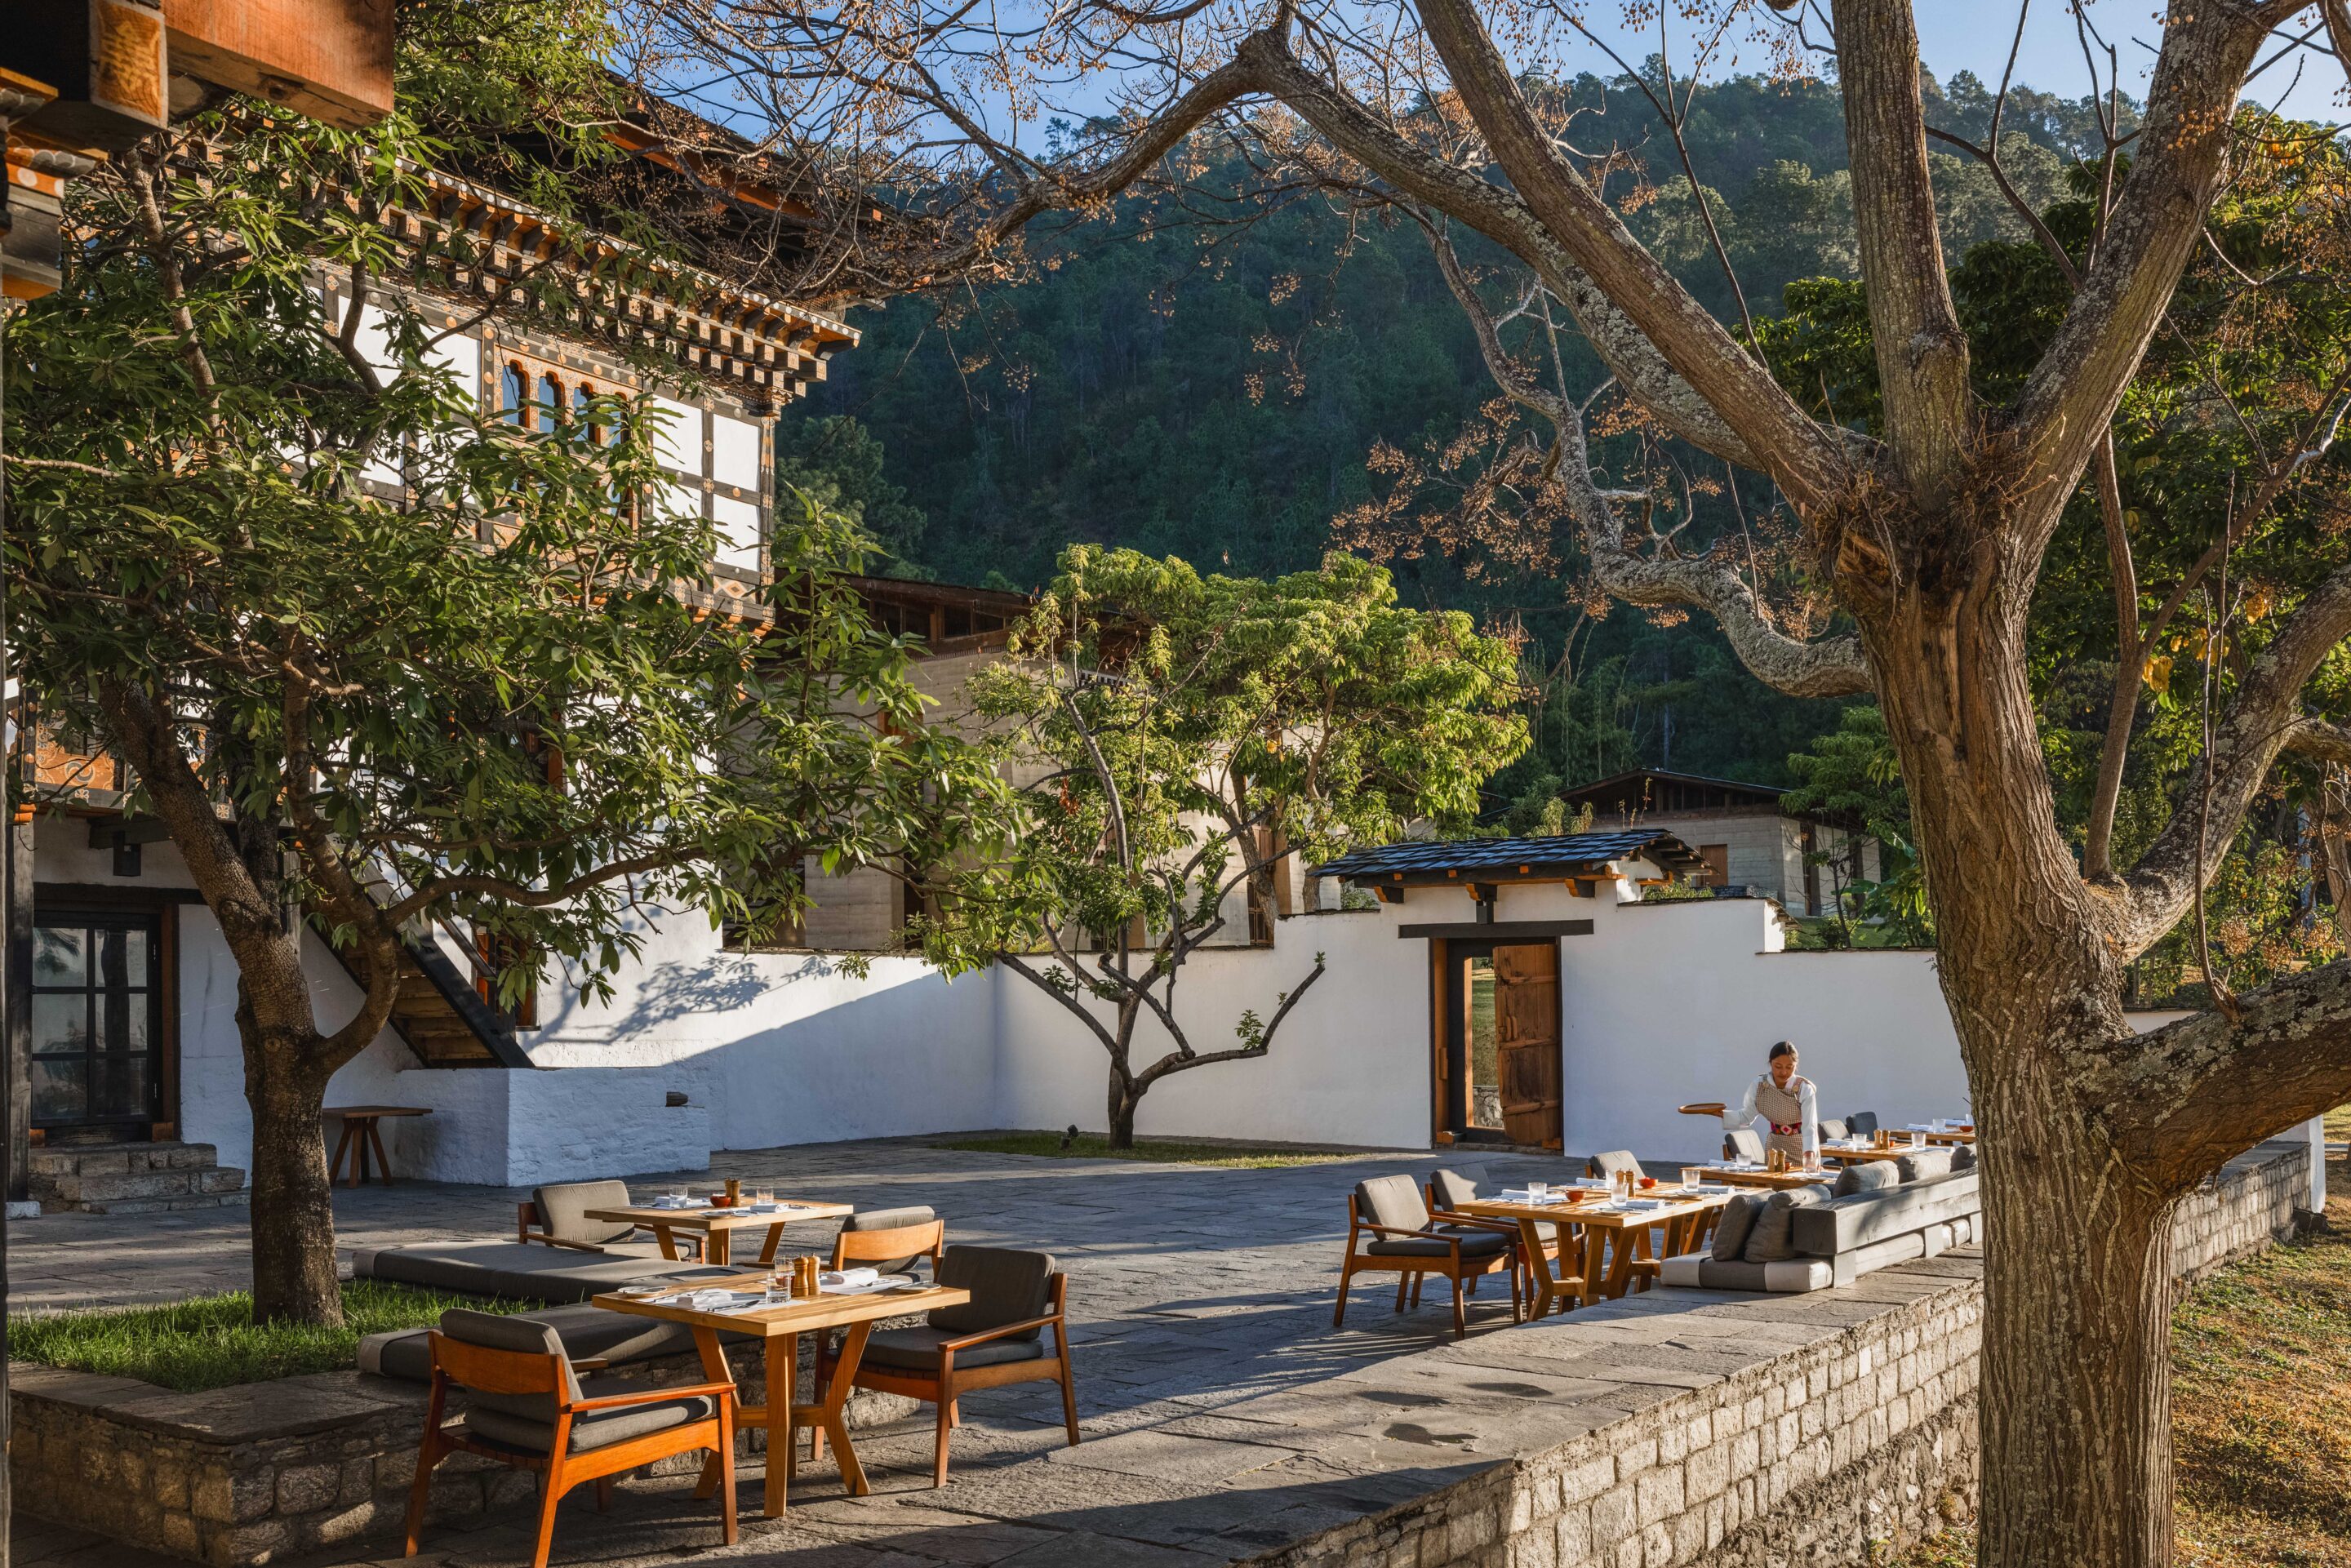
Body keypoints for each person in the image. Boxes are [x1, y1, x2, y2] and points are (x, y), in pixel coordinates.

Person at [1724, 1041, 1818, 1166]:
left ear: (1796, 1066)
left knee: (1802, 1178)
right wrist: (1722, 1115)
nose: (1784, 1072)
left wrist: (1809, 1153)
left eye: (1789, 1067)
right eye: (1778, 1066)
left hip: (1802, 1148)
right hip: (1774, 1148)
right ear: (1770, 1063)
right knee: (1773, 1177)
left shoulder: (1804, 1088)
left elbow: (1810, 1126)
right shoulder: (1760, 1086)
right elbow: (1747, 1116)